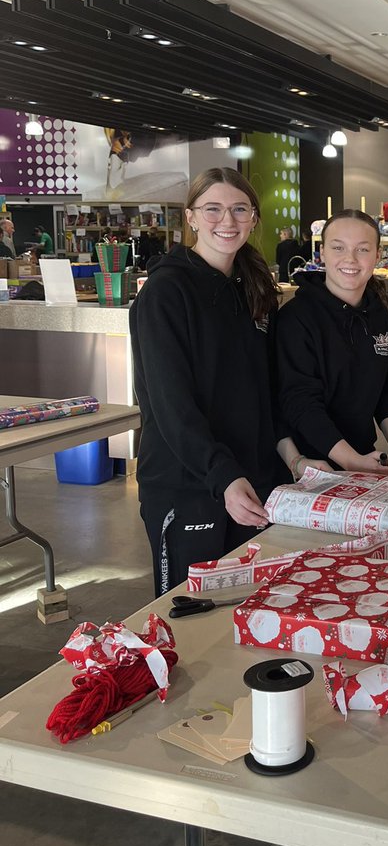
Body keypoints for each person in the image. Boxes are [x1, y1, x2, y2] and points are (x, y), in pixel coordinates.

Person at [130, 167, 293, 595]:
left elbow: (266, 391)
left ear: (254, 218)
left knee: (247, 608)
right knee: (188, 612)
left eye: (240, 209)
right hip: (189, 486)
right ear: (191, 218)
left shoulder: (254, 289)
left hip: (252, 481)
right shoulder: (167, 292)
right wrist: (220, 475)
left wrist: (290, 460)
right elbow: (171, 405)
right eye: (214, 209)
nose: (228, 221)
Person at [277, 209, 388, 475]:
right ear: (322, 253)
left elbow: (387, 386)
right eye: (338, 248)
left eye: (363, 250)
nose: (350, 259)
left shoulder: (380, 314)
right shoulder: (295, 319)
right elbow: (299, 402)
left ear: (378, 255)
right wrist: (349, 460)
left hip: (363, 459)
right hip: (309, 466)